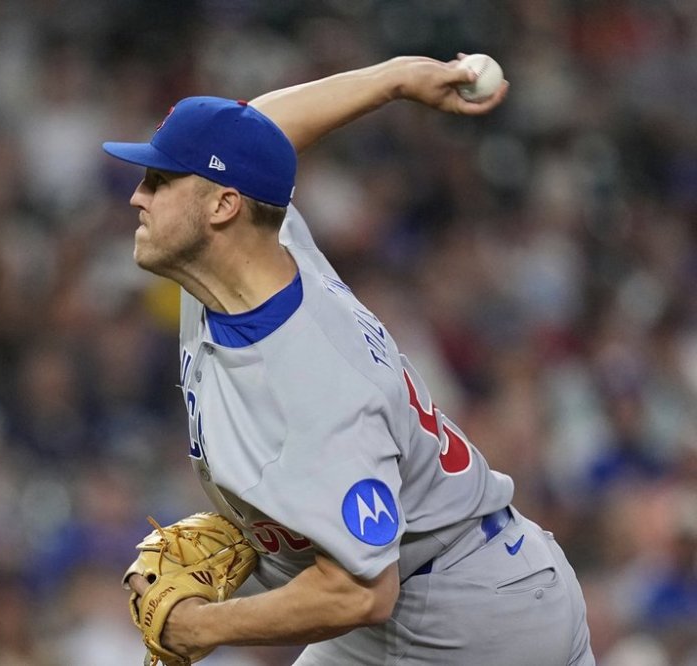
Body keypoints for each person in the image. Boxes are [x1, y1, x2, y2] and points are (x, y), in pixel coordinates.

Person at [102, 55, 594, 665]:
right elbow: (259, 129)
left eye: (158, 181)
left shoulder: (317, 381)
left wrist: (200, 627)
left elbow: (360, 593)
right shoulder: (254, 248)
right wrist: (395, 79)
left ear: (222, 206)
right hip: (428, 588)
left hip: (471, 621)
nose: (136, 196)